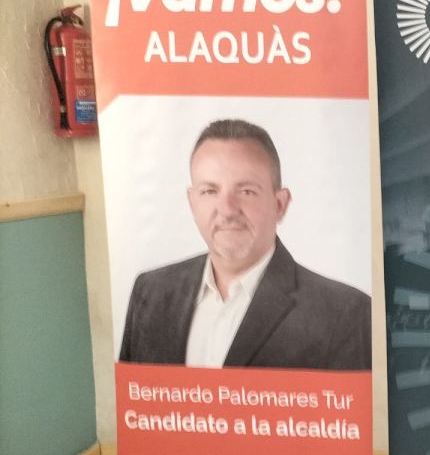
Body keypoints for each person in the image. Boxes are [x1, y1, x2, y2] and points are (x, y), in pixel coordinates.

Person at [119, 118, 371, 371]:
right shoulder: (149, 292)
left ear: (280, 204)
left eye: (246, 191)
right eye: (210, 191)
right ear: (192, 203)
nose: (227, 210)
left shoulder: (345, 314)